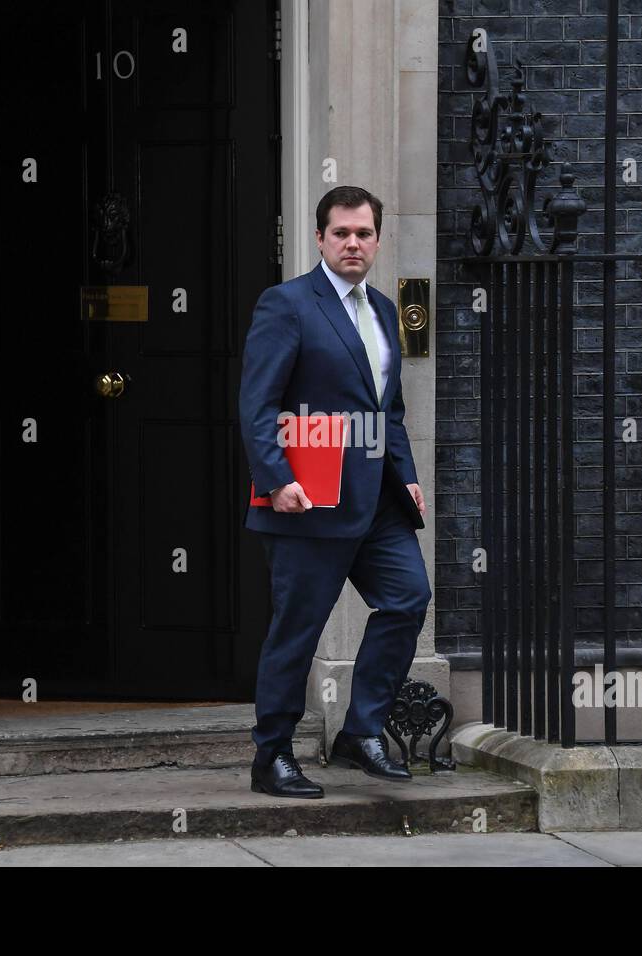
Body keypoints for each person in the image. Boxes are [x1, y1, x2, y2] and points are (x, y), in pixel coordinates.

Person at [238, 185, 431, 799]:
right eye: (342, 233)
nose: (354, 243)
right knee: (298, 628)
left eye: (364, 233)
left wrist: (406, 475)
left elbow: (389, 410)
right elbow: (258, 404)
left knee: (407, 597)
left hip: (376, 500)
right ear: (319, 238)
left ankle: (361, 730)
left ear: (377, 240)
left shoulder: (381, 309)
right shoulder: (287, 304)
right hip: (307, 499)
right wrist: (277, 480)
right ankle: (272, 755)